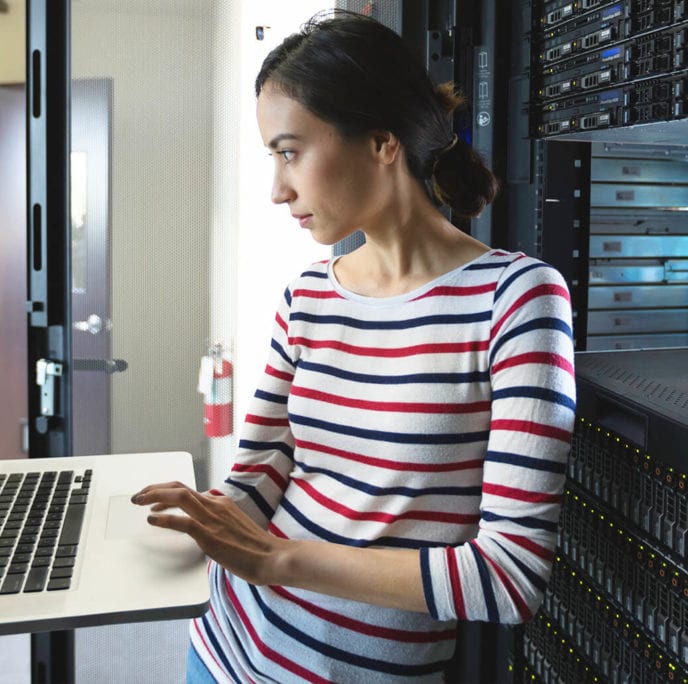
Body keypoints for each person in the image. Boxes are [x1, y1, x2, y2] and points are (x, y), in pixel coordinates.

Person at [131, 9, 577, 683]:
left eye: (289, 152)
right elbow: (263, 469)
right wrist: (195, 524)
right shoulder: (307, 295)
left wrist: (278, 560)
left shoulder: (515, 299)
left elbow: (509, 577)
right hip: (222, 649)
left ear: (380, 143)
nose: (278, 190)